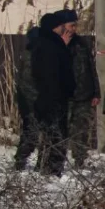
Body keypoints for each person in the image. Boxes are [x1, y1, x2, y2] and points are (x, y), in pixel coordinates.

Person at [31, 12, 74, 176]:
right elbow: (60, 71)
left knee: (49, 132)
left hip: (45, 96)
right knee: (57, 133)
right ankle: (53, 168)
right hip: (55, 96)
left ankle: (45, 165)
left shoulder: (40, 43)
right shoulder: (53, 45)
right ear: (55, 27)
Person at [57, 10, 100, 169]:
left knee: (81, 130)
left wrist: (96, 92)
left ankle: (80, 160)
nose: (74, 29)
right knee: (61, 129)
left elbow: (90, 67)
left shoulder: (82, 43)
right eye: (71, 25)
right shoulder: (54, 43)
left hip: (84, 94)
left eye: (75, 25)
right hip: (65, 95)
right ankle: (57, 161)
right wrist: (63, 45)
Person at [13, 25, 42, 170]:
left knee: (30, 131)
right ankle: (21, 159)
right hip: (33, 100)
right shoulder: (34, 55)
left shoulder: (26, 54)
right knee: (32, 132)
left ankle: (21, 158)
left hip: (27, 100)